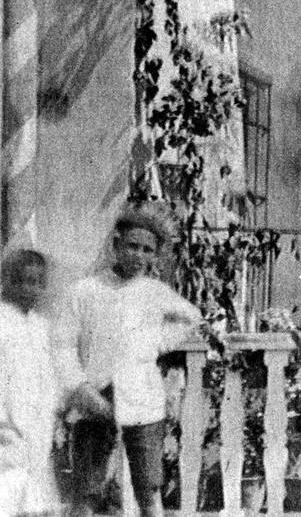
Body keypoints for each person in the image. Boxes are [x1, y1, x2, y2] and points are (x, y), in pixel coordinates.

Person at [55, 203, 203, 517]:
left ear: (155, 256)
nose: (138, 255)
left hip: (142, 398)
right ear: (116, 245)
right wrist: (81, 390)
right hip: (94, 396)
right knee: (87, 491)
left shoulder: (155, 291)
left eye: (147, 250)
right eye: (132, 246)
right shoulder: (85, 291)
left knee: (148, 488)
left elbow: (192, 318)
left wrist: (156, 342)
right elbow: (63, 346)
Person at [0, 248, 97, 517]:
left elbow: (48, 373)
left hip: (37, 422)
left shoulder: (40, 326)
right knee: (8, 489)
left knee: (35, 491)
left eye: (36, 283)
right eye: (21, 281)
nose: (29, 289)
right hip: (7, 424)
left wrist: (57, 405)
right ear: (5, 280)